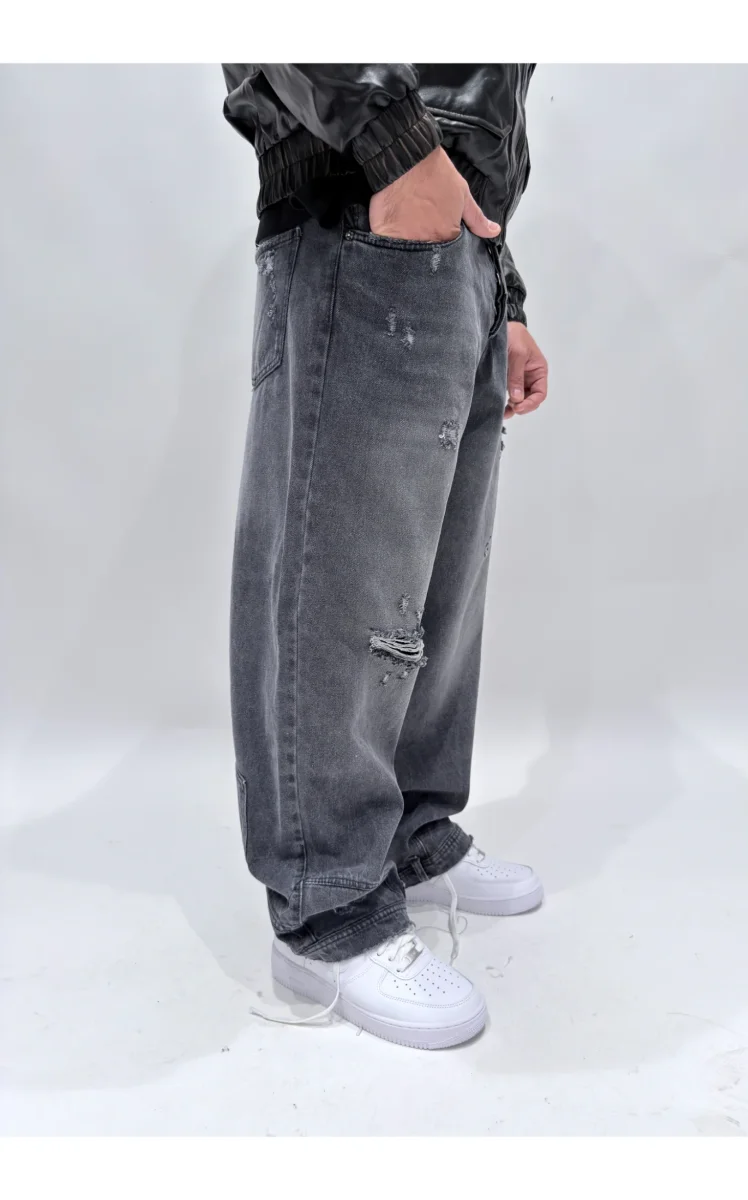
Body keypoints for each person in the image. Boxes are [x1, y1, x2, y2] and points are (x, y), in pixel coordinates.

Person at [222, 64, 549, 1049]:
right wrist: (396, 148)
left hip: (455, 230)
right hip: (361, 191)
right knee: (346, 580)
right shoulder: (386, 153)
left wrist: (502, 285)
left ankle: (406, 839)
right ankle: (326, 909)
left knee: (436, 591)